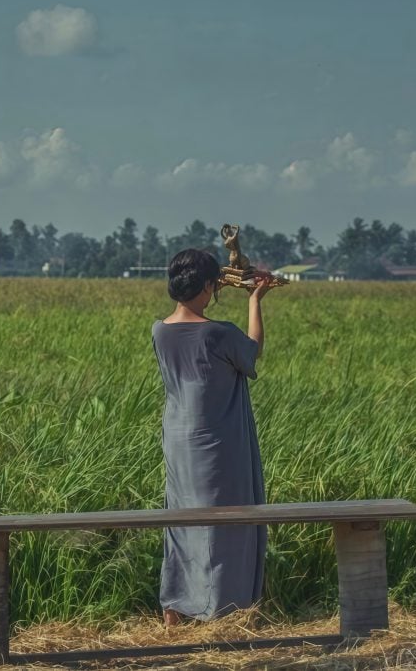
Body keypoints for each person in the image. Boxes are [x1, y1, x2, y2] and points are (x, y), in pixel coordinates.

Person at [151, 248, 272, 626]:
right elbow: (251, 354)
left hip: (178, 439)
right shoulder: (219, 333)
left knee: (183, 520)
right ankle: (222, 609)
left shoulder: (159, 330)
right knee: (225, 523)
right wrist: (255, 299)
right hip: (218, 440)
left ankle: (176, 605)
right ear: (207, 286)